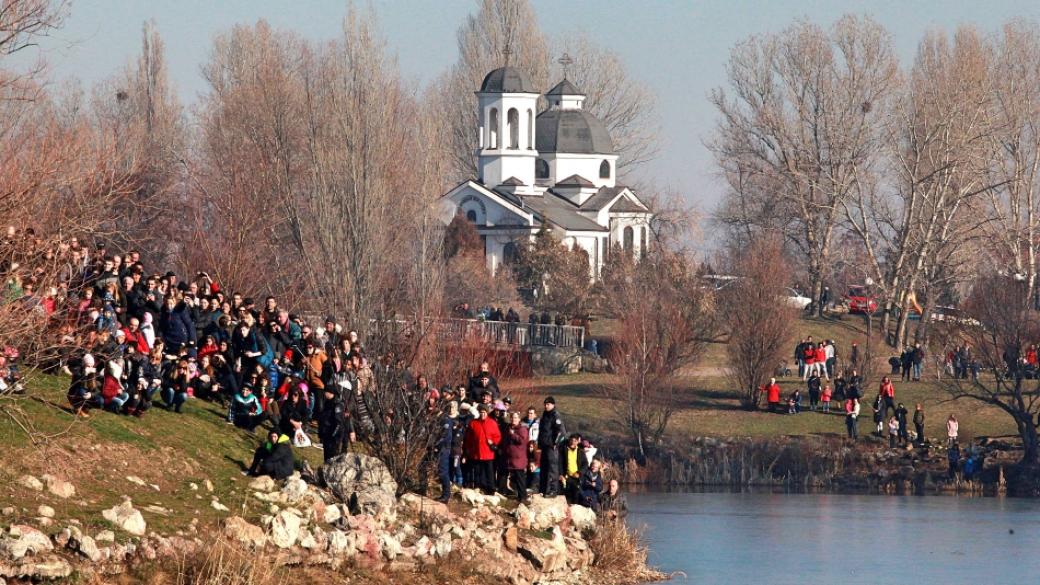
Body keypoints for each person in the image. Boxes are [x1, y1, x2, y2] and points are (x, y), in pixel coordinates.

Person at [463, 404, 501, 494]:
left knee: (489, 472)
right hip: (476, 452)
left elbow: (498, 436)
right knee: (477, 471)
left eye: (484, 412)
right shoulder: (473, 423)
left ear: (487, 413)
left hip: (488, 453)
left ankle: (491, 489)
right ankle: (478, 486)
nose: (482, 414)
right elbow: (468, 438)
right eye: (481, 412)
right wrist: (468, 449)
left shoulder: (492, 423)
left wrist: (493, 442)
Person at [538, 396, 565, 496]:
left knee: (553, 469)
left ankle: (553, 490)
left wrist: (555, 443)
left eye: (548, 404)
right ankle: (543, 489)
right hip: (544, 445)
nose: (546, 406)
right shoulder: (545, 415)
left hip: (551, 446)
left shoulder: (555, 415)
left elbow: (561, 431)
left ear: (553, 405)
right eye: (545, 404)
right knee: (544, 468)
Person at [317, 387, 350, 462]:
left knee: (333, 457)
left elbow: (339, 423)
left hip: (333, 436)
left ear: (330, 393)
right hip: (326, 434)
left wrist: (333, 435)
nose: (324, 394)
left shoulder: (337, 405)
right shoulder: (327, 403)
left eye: (326, 392)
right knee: (326, 457)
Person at [503, 411, 530, 502]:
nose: (513, 419)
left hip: (519, 458)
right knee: (514, 478)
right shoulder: (508, 428)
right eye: (512, 417)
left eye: (515, 418)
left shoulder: (522, 429)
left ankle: (523, 497)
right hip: (510, 458)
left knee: (520, 479)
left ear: (519, 419)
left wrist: (513, 434)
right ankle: (517, 495)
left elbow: (522, 441)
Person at [559, 433, 588, 504]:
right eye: (571, 440)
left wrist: (579, 473)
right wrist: (560, 474)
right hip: (566, 476)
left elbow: (585, 464)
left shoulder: (580, 452)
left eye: (575, 441)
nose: (573, 442)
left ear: (578, 442)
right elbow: (559, 463)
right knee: (565, 495)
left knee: (575, 495)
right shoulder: (564, 450)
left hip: (576, 477)